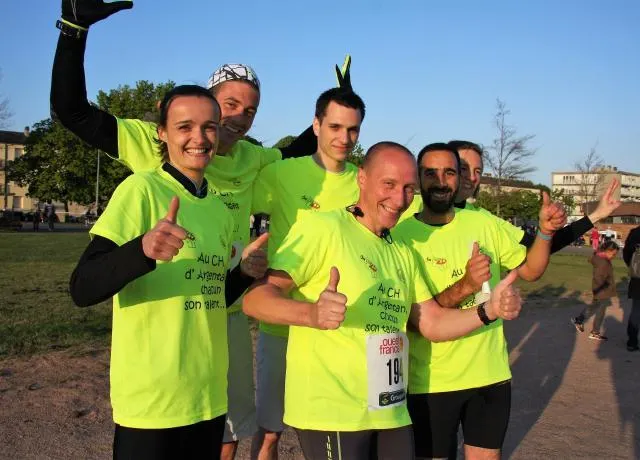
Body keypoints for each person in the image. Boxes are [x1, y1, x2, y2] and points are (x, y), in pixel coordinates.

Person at [50, 2, 350, 457]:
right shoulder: (148, 164)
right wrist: (73, 30)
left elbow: (296, 152)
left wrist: (335, 102)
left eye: (249, 110)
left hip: (220, 313)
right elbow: (72, 112)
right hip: (159, 346)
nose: (237, 118)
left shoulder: (251, 159)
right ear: (166, 130)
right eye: (229, 105)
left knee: (228, 427)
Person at [243, 142, 523, 460]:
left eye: (408, 188)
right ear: (362, 178)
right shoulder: (323, 228)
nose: (399, 199)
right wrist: (311, 314)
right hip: (335, 412)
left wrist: (489, 310)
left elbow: (432, 322)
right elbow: (256, 299)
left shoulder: (400, 251)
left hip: (390, 411)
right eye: (388, 184)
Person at [68, 85, 267, 458]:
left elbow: (211, 297)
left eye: (209, 127)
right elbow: (82, 286)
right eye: (184, 127)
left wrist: (243, 273)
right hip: (153, 402)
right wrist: (141, 250)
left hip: (208, 398)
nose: (199, 138)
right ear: (162, 132)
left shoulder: (220, 208)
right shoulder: (141, 190)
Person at [393, 143, 566, 460]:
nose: (440, 181)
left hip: (489, 375)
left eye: (449, 172)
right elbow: (417, 321)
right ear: (418, 178)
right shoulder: (401, 237)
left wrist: (544, 232)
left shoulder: (483, 223)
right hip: (430, 381)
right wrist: (467, 284)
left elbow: (531, 270)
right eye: (430, 173)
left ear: (458, 179)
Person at [250, 87, 364, 459]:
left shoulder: (364, 182)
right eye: (335, 127)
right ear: (316, 125)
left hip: (341, 329)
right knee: (270, 432)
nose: (344, 138)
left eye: (353, 129)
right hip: (284, 324)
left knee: (336, 432)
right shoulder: (281, 173)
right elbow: (233, 203)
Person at [444, 140, 621, 253]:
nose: (472, 177)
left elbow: (540, 247)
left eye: (478, 171)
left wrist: (595, 215)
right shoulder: (425, 211)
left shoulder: (486, 220)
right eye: (464, 168)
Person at [571, 241, 620, 341]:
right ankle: (590, 328)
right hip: (602, 290)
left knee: (596, 307)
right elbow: (598, 277)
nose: (614, 256)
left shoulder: (600, 258)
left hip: (601, 289)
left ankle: (582, 322)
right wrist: (604, 286)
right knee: (599, 310)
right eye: (613, 254)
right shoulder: (603, 262)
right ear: (607, 251)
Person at [623, 225, 640, 352]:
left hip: (638, 277)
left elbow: (626, 254)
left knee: (636, 310)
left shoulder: (635, 233)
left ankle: (632, 341)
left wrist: (633, 266)